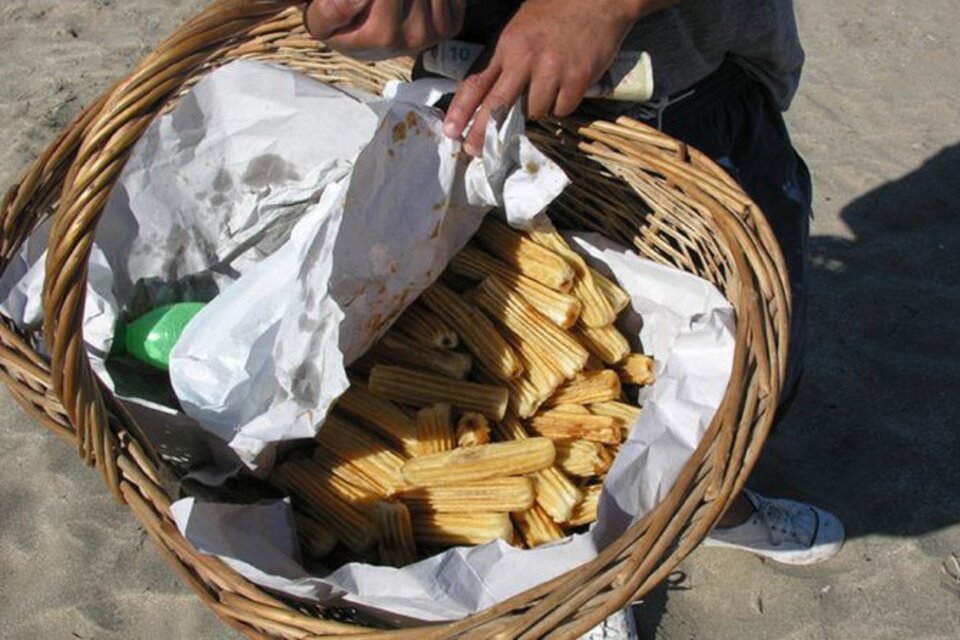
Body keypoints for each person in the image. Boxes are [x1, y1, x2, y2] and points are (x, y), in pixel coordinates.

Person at [304, 0, 845, 611]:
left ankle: (713, 502)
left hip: (680, 88)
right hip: (475, 86)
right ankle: (575, 565)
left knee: (752, 370)